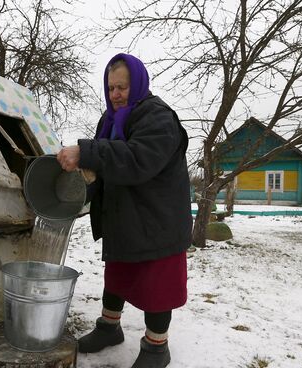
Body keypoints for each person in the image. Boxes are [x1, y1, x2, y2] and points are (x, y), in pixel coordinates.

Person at [56, 53, 192, 368]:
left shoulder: (157, 116)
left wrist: (87, 152)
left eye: (123, 87)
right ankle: (109, 329)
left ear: (139, 84)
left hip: (158, 219)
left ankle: (157, 348)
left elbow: (136, 159)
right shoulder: (110, 119)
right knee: (117, 275)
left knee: (157, 285)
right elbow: (103, 168)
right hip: (126, 217)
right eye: (111, 87)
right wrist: (75, 192)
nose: (116, 94)